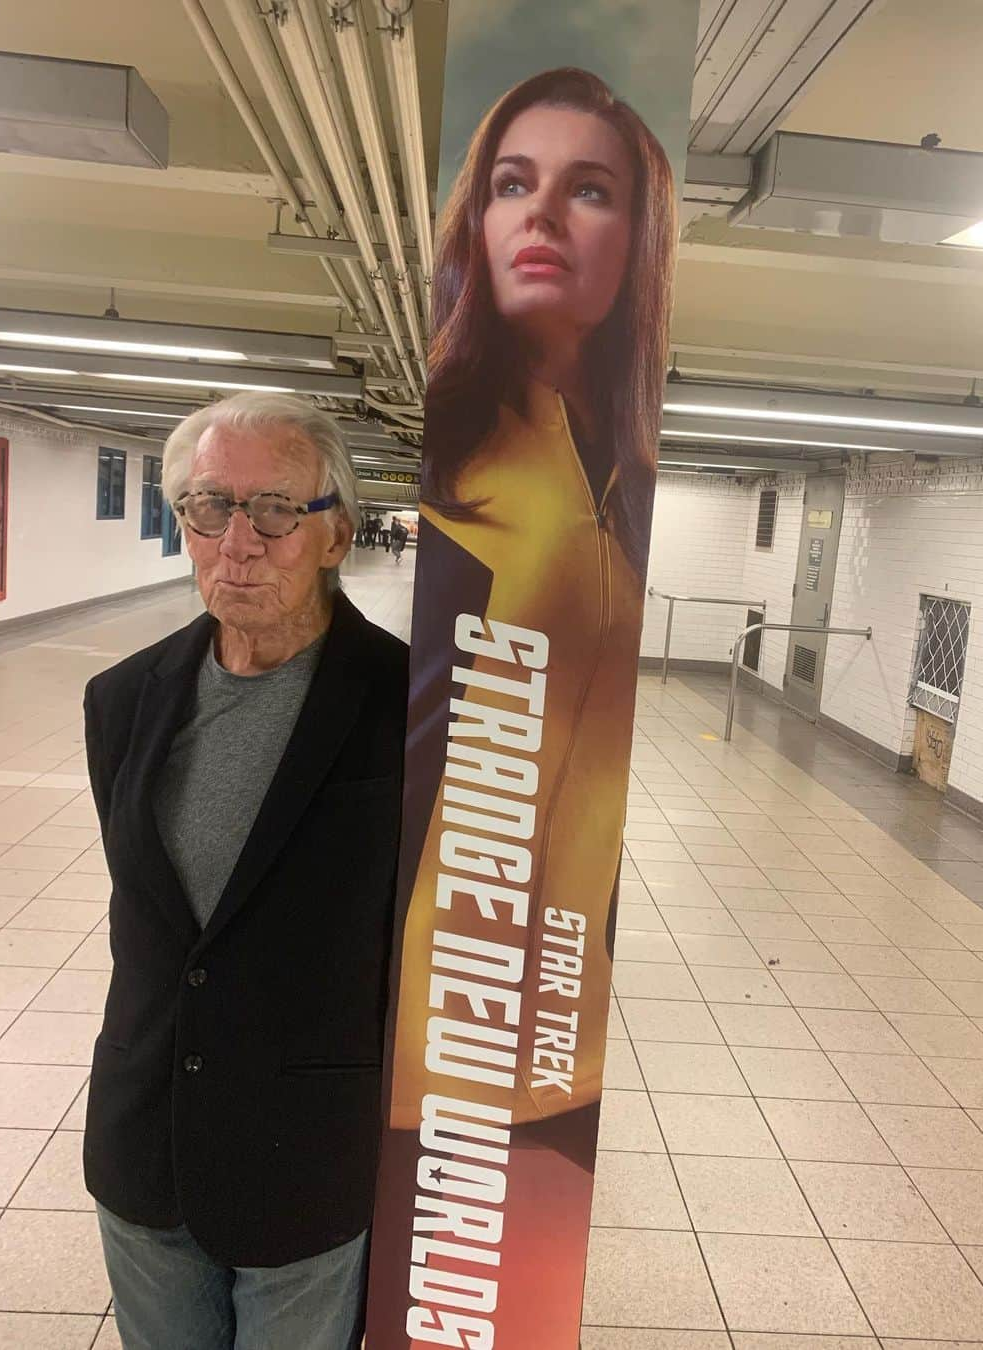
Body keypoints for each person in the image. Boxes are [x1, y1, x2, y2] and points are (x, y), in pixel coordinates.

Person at [82, 392, 408, 1350]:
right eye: (210, 506)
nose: (239, 541)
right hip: (146, 1137)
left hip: (304, 1149)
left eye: (275, 509)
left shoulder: (417, 708)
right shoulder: (122, 699)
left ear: (337, 533)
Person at [387, 66, 676, 1133]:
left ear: (637, 241)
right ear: (481, 214)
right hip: (445, 1023)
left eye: (590, 190)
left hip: (563, 1027)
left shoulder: (622, 478)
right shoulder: (461, 457)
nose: (544, 212)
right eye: (513, 182)